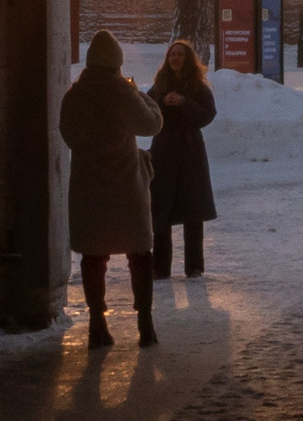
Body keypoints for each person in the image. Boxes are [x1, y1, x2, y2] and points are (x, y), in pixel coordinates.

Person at [59, 29, 166, 347]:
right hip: (126, 189)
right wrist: (138, 91)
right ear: (117, 64)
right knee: (140, 255)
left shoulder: (73, 97)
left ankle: (97, 324)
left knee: (93, 256)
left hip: (88, 190)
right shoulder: (123, 92)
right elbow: (152, 124)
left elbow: (68, 136)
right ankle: (145, 324)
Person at [146, 39, 218, 278]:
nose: (176, 58)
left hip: (190, 152)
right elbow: (146, 110)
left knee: (193, 210)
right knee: (161, 209)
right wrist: (161, 102)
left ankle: (194, 266)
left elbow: (207, 115)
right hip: (164, 151)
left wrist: (185, 102)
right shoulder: (160, 85)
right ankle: (160, 267)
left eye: (180, 55)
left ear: (188, 59)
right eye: (172, 55)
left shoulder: (198, 87)